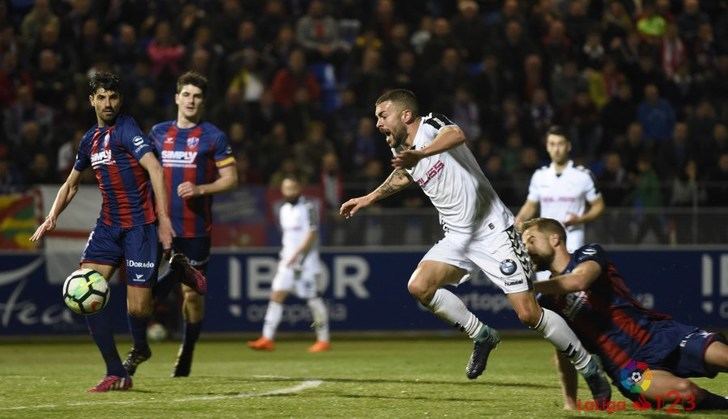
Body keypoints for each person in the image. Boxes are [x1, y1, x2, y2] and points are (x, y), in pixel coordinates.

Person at [339, 89, 610, 404]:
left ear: (406, 115)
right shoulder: (406, 151)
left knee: (527, 313)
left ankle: (587, 365)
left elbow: (457, 134)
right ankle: (481, 334)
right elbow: (404, 176)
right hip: (457, 236)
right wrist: (368, 198)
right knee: (419, 286)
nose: (377, 124)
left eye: (382, 116)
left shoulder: (431, 125)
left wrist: (421, 154)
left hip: (494, 230)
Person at [30, 72, 174, 392]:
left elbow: (154, 167)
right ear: (92, 100)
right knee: (86, 291)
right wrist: (52, 217)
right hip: (108, 226)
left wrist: (163, 219)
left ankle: (173, 280)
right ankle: (116, 371)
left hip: (140, 226)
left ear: (119, 100)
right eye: (102, 97)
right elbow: (71, 184)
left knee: (138, 308)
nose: (108, 103)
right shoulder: (90, 140)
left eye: (113, 97)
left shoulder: (127, 130)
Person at [521, 217, 728, 411]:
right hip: (628, 369)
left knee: (724, 357)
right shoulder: (547, 302)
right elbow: (564, 351)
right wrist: (570, 402)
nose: (526, 248)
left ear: (555, 238)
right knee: (687, 391)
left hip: (661, 335)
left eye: (531, 240)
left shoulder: (589, 254)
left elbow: (579, 281)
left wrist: (527, 286)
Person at [135, 71, 238, 377]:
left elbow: (231, 178)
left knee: (191, 295)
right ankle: (137, 349)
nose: (191, 100)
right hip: (159, 225)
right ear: (177, 97)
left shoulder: (213, 136)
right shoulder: (158, 133)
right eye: (187, 95)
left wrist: (200, 189)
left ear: (202, 102)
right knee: (143, 292)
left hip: (195, 229)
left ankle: (187, 347)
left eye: (197, 96)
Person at [248, 176, 330, 352]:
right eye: (286, 188)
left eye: (293, 188)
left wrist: (298, 254)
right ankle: (267, 338)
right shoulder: (283, 209)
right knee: (276, 295)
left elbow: (312, 234)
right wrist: (288, 256)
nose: (290, 191)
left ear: (299, 188)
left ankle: (323, 340)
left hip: (306, 262)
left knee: (313, 299)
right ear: (282, 190)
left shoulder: (308, 208)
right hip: (287, 261)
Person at [515, 126, 604, 253]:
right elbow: (531, 205)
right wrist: (520, 219)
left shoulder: (583, 175)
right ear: (547, 146)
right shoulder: (539, 176)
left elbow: (599, 206)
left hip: (572, 243)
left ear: (568, 146)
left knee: (571, 273)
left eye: (560, 144)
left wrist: (580, 219)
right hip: (544, 244)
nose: (556, 149)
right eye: (552, 144)